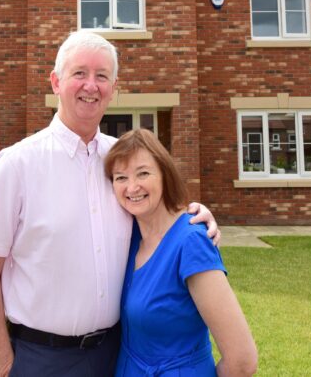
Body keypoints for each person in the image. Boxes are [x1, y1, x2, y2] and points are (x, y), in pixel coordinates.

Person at [0, 32, 220, 377]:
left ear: (113, 88)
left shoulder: (123, 163)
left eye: (102, 76)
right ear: (56, 82)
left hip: (116, 355)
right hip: (41, 358)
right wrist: (5, 366)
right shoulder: (17, 164)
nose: (91, 85)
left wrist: (195, 215)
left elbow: (161, 220)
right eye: (79, 73)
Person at [105, 128, 258, 376]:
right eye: (120, 177)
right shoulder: (128, 236)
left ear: (165, 175)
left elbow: (242, 361)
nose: (132, 187)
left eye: (143, 173)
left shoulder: (191, 242)